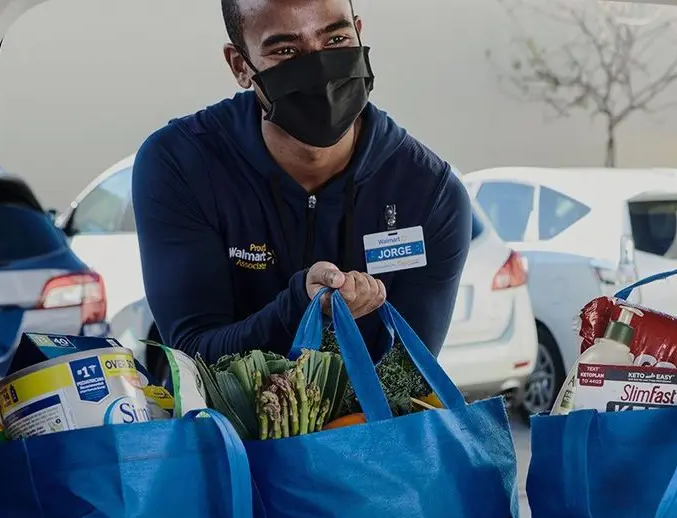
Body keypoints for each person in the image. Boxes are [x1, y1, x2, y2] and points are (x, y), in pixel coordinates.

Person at [132, 0, 471, 363]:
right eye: (286, 50)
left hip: (370, 422)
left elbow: (409, 379)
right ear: (240, 65)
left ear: (358, 32)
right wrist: (300, 307)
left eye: (336, 39)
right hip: (221, 421)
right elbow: (193, 355)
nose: (318, 67)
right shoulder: (182, 164)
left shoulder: (429, 193)